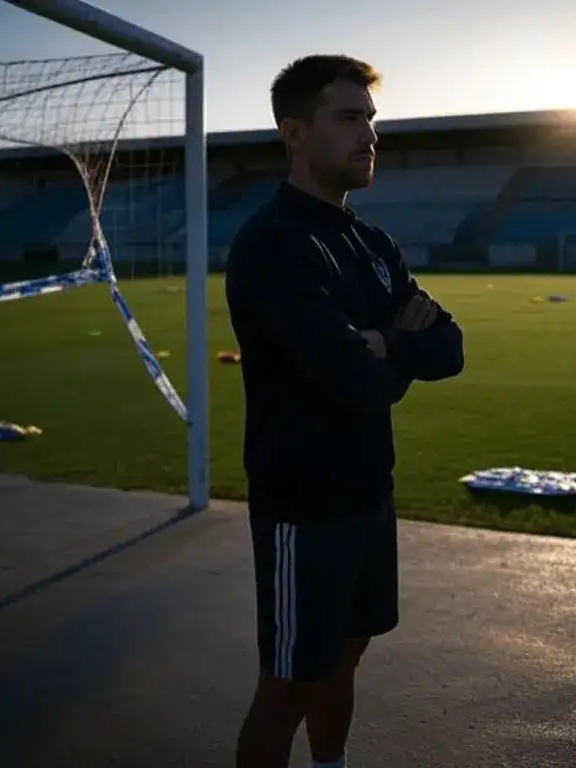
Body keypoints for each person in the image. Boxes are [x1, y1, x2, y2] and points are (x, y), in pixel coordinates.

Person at [224, 54, 465, 768]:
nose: (369, 134)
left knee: (346, 657)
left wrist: (382, 345)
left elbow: (449, 347)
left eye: (372, 118)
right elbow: (351, 382)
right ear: (294, 132)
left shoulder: (373, 244)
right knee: (289, 683)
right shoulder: (274, 245)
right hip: (303, 500)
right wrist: (395, 351)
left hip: (369, 489)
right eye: (349, 117)